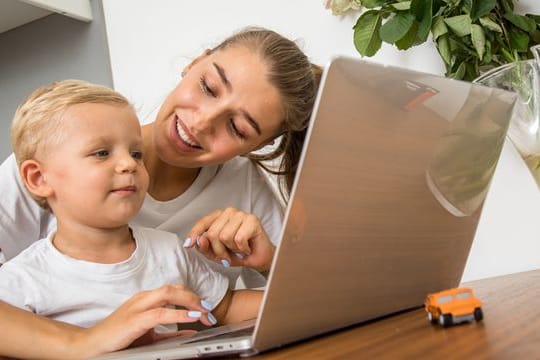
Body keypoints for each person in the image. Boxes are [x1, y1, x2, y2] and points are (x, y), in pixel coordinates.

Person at [0, 26, 322, 358]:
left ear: (259, 144)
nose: (200, 122)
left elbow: (302, 302)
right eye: (208, 87)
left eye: (237, 128)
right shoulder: (52, 157)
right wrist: (88, 341)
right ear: (195, 62)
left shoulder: (184, 237)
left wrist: (270, 263)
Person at [0, 79, 263, 357]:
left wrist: (306, 301)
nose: (129, 164)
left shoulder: (170, 249)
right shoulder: (20, 280)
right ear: (39, 178)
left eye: (136, 153)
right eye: (101, 153)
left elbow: (227, 306)